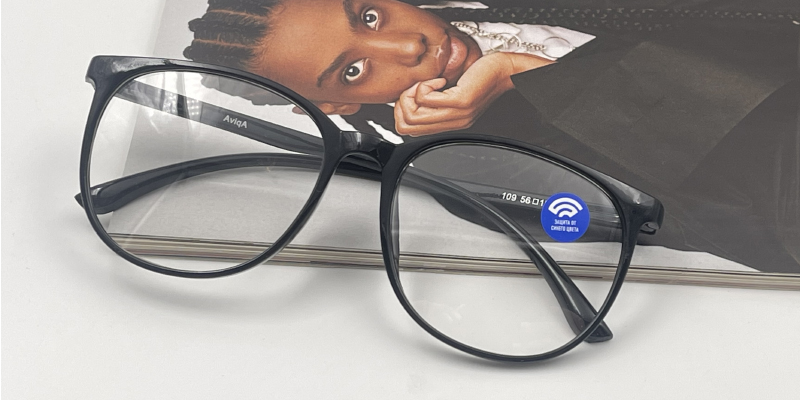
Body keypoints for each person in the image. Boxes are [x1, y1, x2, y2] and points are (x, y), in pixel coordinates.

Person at [184, 0, 800, 272]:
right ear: (335, 104)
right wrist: (525, 77)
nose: (406, 44)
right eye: (354, 69)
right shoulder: (469, 172)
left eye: (369, 15)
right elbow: (747, 220)